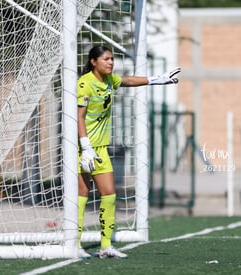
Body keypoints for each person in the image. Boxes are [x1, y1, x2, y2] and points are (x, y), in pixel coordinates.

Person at [77, 45, 180, 259]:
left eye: (112, 59)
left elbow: (128, 81)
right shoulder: (85, 83)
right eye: (106, 59)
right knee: (81, 195)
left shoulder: (109, 80)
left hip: (100, 150)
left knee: (109, 195)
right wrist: (85, 147)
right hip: (81, 148)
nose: (110, 62)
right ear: (93, 61)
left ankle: (105, 246)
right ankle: (73, 244)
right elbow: (78, 117)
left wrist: (157, 79)